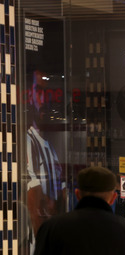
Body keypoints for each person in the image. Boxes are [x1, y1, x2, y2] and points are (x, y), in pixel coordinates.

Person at [27, 70, 67, 235]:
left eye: (47, 93)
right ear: (30, 95)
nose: (43, 99)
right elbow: (33, 196)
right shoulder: (28, 141)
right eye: (39, 92)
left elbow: (62, 192)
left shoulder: (51, 147)